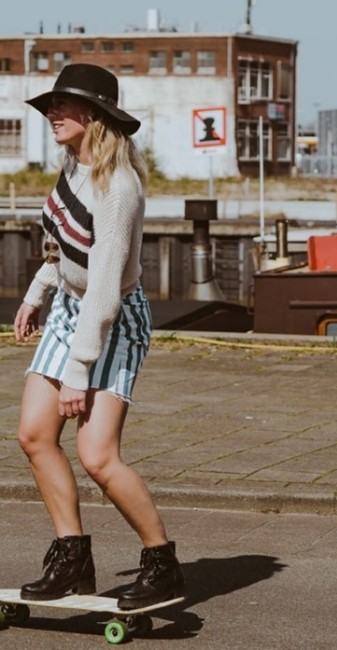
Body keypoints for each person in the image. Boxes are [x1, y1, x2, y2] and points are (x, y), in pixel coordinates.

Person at [14, 63, 184, 609]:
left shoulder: (119, 187)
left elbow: (106, 290)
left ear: (96, 115)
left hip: (112, 318)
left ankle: (162, 562)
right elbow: (64, 247)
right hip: (69, 307)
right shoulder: (72, 166)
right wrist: (36, 293)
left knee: (97, 454)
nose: (53, 116)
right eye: (50, 108)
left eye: (63, 107)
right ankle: (72, 558)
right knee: (35, 436)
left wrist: (78, 372)